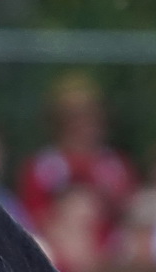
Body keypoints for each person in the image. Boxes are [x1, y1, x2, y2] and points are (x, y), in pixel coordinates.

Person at [17, 74, 136, 250]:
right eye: (75, 116)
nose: (85, 124)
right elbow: (34, 218)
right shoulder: (43, 167)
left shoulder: (115, 166)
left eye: (91, 115)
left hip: (110, 258)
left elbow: (129, 214)